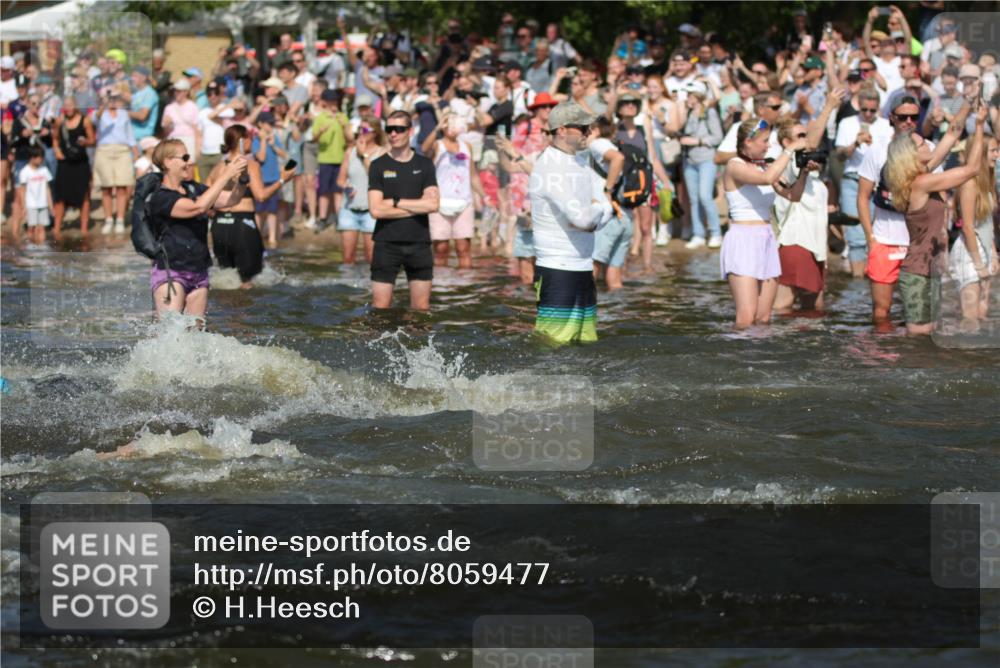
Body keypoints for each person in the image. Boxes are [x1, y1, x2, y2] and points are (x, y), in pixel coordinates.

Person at [857, 96, 967, 327]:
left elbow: (941, 195)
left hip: (919, 244)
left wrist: (943, 234)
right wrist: (870, 238)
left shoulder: (928, 150)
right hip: (886, 239)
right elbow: (863, 196)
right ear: (892, 118)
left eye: (914, 117)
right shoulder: (877, 151)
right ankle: (885, 357)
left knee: (925, 314)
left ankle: (916, 355)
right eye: (903, 117)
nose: (909, 121)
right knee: (881, 312)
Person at [886, 103, 986, 335]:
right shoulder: (920, 184)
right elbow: (972, 169)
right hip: (917, 273)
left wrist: (968, 105)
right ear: (913, 155)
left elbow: (952, 133)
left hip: (928, 269)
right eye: (922, 144)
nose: (928, 143)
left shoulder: (921, 174)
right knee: (919, 339)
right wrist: (979, 127)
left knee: (930, 335)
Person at [529, 101, 613, 343]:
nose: (589, 131)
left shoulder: (580, 162)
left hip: (584, 267)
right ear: (562, 130)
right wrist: (602, 207)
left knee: (585, 345)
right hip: (557, 269)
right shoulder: (549, 167)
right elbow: (584, 218)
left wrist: (601, 208)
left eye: (590, 127)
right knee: (552, 347)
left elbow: (602, 208)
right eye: (583, 127)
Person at [721, 118, 809, 328]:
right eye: (764, 140)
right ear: (748, 143)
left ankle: (759, 360)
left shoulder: (764, 166)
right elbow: (767, 179)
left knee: (763, 318)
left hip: (767, 239)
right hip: (743, 239)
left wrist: (804, 172)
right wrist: (789, 151)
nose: (769, 145)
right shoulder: (735, 166)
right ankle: (737, 358)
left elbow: (793, 196)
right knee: (746, 317)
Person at [148, 139, 248, 318]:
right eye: (185, 157)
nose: (190, 162)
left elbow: (231, 200)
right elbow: (198, 208)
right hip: (171, 272)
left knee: (195, 334)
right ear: (167, 161)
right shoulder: (159, 196)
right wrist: (225, 175)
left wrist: (242, 179)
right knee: (171, 332)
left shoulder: (194, 188)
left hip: (198, 271)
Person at [367, 110, 440, 310]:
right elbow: (376, 210)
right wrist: (417, 206)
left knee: (421, 309)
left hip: (419, 243)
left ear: (410, 130)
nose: (393, 134)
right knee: (380, 307)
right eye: (389, 129)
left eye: (399, 129)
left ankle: (418, 342)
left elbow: (433, 205)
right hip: (386, 243)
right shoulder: (377, 165)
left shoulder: (424, 164)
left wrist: (396, 201)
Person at [207, 125, 294, 288]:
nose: (252, 143)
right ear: (243, 141)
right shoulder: (249, 165)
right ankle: (246, 313)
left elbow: (205, 200)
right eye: (251, 139)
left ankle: (228, 312)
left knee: (226, 279)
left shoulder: (217, 168)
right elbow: (261, 196)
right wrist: (282, 180)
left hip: (219, 227)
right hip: (242, 225)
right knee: (249, 280)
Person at [772, 121, 830, 312]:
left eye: (806, 135)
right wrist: (828, 107)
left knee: (814, 309)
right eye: (801, 136)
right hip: (796, 243)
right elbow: (811, 144)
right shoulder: (787, 163)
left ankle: (798, 342)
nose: (807, 140)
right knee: (782, 306)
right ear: (786, 142)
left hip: (816, 248)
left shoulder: (809, 171)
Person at [835, 88, 892, 276]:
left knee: (878, 234)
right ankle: (857, 283)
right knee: (855, 235)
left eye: (872, 111)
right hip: (853, 180)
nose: (868, 114)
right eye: (864, 110)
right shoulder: (847, 123)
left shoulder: (886, 125)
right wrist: (856, 143)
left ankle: (876, 278)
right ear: (859, 106)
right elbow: (840, 156)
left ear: (878, 108)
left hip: (879, 182)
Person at [421, 114, 484, 268]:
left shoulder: (467, 146)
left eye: (456, 123)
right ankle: (442, 286)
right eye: (450, 123)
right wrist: (437, 128)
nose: (453, 127)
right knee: (441, 249)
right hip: (439, 203)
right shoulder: (437, 145)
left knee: (464, 248)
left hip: (464, 201)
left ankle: (464, 286)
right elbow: (424, 149)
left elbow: (473, 175)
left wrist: (484, 196)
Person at [950, 133, 998, 327]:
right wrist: (979, 265)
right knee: (970, 318)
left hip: (984, 248)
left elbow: (987, 224)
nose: (998, 154)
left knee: (981, 314)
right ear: (981, 152)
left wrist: (993, 255)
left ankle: (976, 356)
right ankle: (963, 355)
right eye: (994, 150)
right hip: (969, 254)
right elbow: (968, 227)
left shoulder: (988, 180)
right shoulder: (970, 183)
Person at [335, 116, 387, 265]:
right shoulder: (349, 151)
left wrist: (363, 154)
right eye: (359, 129)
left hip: (371, 211)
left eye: (364, 130)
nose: (361, 133)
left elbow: (376, 177)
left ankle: (369, 287)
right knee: (347, 258)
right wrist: (345, 186)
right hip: (349, 209)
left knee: (371, 258)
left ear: (375, 132)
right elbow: (340, 179)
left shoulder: (382, 153)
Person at [679, 80, 723, 249]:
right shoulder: (688, 112)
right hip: (689, 160)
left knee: (705, 196)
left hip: (706, 159)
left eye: (690, 95)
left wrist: (696, 141)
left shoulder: (709, 112)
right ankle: (698, 234)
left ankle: (715, 232)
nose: (687, 98)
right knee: (693, 199)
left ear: (698, 95)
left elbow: (717, 137)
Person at [588, 117, 630, 291]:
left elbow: (618, 159)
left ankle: (583, 312)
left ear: (596, 130)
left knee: (589, 271)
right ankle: (619, 314)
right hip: (622, 218)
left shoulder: (596, 144)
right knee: (614, 283)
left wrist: (607, 189)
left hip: (606, 218)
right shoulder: (609, 145)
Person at [93, 87, 137, 234]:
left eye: (115, 98)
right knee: (106, 187)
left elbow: (130, 135)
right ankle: (108, 219)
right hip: (104, 150)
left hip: (122, 150)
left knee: (122, 186)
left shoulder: (124, 114)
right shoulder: (100, 113)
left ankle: (119, 219)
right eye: (111, 98)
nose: (113, 101)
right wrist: (104, 102)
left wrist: (136, 154)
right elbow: (95, 118)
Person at [51, 96, 95, 237]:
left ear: (76, 106)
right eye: (66, 106)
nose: (68, 108)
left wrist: (86, 142)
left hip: (80, 163)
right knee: (60, 196)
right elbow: (55, 138)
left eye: (71, 105)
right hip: (64, 163)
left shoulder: (85, 120)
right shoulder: (60, 121)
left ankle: (84, 229)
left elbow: (93, 140)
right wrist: (57, 150)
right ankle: (57, 228)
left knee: (84, 195)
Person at [312, 89, 352, 232]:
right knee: (323, 190)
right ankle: (323, 218)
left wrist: (344, 126)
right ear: (325, 103)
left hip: (341, 158)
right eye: (330, 101)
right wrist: (321, 130)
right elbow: (314, 139)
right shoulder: (320, 117)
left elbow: (350, 139)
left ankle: (339, 218)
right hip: (325, 158)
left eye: (335, 100)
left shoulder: (343, 117)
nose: (333, 103)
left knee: (338, 190)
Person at [251, 111, 288, 246]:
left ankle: (272, 237)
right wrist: (263, 141)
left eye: (272, 122)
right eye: (269, 123)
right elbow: (261, 157)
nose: (272, 125)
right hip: (261, 180)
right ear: (260, 124)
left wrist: (272, 144)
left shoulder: (275, 138)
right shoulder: (255, 140)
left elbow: (284, 155)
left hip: (273, 178)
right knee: (259, 210)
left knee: (273, 210)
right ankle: (257, 236)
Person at [18, 145, 53, 245]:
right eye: (39, 157)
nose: (41, 160)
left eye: (42, 157)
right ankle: (30, 247)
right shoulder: (25, 171)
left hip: (43, 204)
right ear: (32, 157)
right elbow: (22, 190)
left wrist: (50, 206)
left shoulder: (44, 170)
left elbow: (48, 189)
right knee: (31, 227)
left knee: (42, 227)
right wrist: (23, 206)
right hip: (31, 204)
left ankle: (43, 248)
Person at [161, 79, 202, 164]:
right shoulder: (169, 107)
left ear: (186, 92)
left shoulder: (193, 107)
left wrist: (198, 149)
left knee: (189, 166)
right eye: (175, 91)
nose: (176, 93)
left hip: (188, 140)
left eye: (179, 91)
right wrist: (167, 125)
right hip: (173, 140)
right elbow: (165, 132)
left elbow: (197, 130)